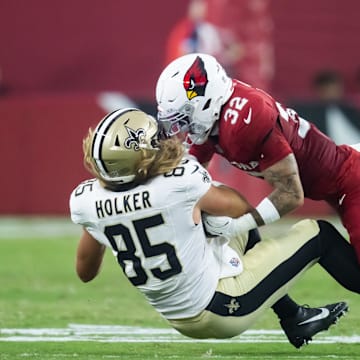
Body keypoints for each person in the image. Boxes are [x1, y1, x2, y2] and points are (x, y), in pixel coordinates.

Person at [69, 108, 359, 349]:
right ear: (141, 159)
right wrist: (205, 202)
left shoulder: (87, 201)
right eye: (156, 142)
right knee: (318, 234)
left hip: (180, 316)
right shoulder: (177, 184)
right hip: (224, 306)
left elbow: (86, 272)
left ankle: (294, 316)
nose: (164, 143)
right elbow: (240, 207)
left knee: (240, 231)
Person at [155, 53, 360, 265]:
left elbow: (291, 194)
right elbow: (191, 180)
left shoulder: (244, 119)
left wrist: (236, 226)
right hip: (336, 183)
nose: (183, 128)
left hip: (351, 179)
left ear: (206, 102)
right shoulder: (212, 118)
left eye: (186, 116)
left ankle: (321, 243)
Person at [164, 0, 242, 76]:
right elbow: (179, 56)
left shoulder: (210, 29)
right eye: (196, 7)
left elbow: (235, 49)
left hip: (211, 72)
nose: (198, 10)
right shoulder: (183, 31)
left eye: (201, 7)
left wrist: (226, 57)